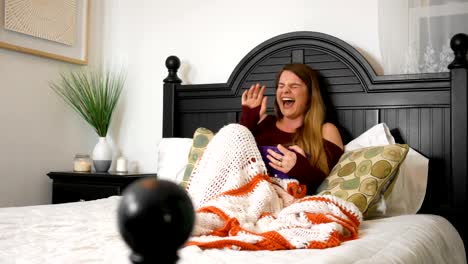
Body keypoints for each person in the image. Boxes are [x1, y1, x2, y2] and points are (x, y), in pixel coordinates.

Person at [240, 63, 344, 194]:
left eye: (294, 86)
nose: (285, 90)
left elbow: (327, 183)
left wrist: (299, 167)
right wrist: (248, 120)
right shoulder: (263, 122)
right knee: (230, 132)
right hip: (247, 193)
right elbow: (233, 160)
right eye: (281, 86)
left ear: (310, 95)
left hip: (287, 198)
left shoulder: (326, 130)